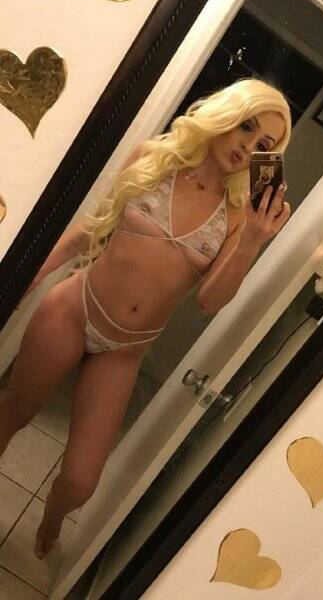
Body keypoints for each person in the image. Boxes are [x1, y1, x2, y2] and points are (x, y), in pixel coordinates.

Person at [0, 78, 292, 559]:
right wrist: (26, 280)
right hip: (75, 309)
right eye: (246, 126)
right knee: (13, 412)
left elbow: (210, 302)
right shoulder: (154, 159)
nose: (248, 146)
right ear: (224, 115)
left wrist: (253, 242)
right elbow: (90, 230)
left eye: (264, 145)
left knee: (80, 481)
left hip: (125, 350)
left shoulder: (238, 216)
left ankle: (52, 515)